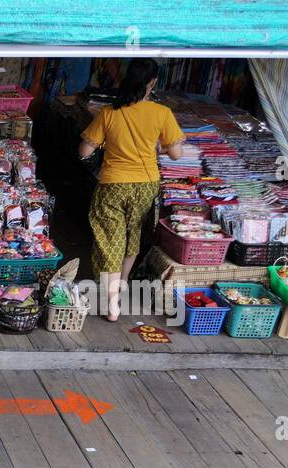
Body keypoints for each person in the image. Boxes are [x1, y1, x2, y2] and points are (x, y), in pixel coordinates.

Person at [77, 58, 185, 322]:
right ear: (152, 83)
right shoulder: (162, 114)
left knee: (109, 238)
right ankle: (123, 282)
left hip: (114, 182)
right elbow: (177, 154)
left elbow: (84, 151)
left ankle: (112, 303)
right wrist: (158, 146)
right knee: (132, 231)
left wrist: (101, 149)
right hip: (146, 183)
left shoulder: (109, 113)